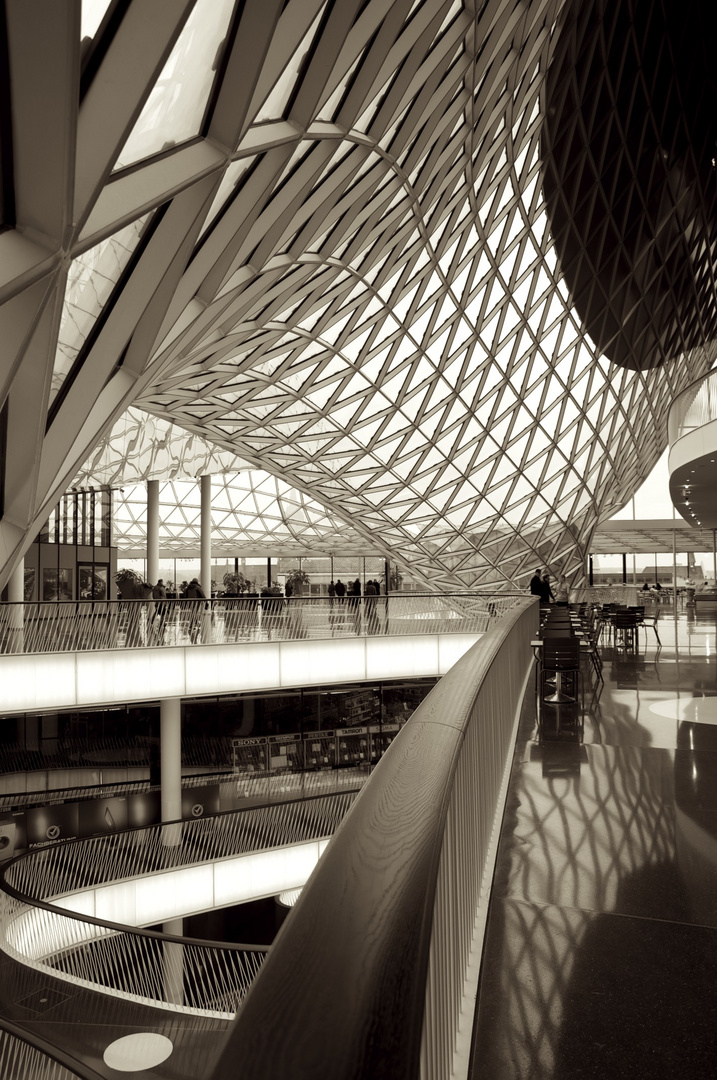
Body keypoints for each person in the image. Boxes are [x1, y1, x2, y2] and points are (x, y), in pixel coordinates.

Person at [184, 578, 206, 643]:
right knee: (195, 612)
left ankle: (194, 623)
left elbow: (185, 595)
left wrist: (185, 603)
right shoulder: (197, 587)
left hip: (190, 602)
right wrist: (206, 602)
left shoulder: (188, 587)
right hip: (196, 602)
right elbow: (202, 595)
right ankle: (194, 623)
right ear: (196, 582)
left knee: (193, 612)